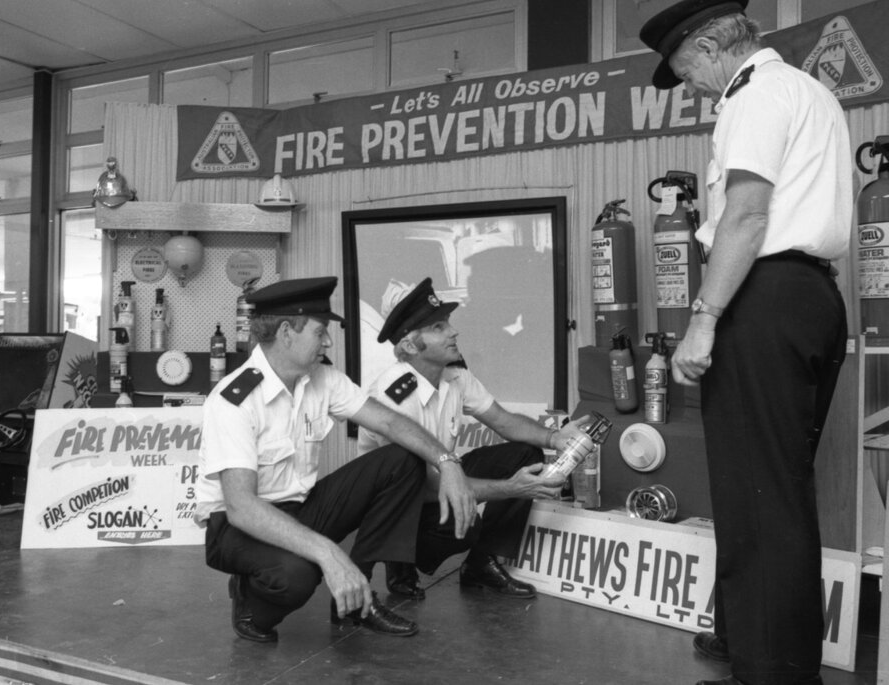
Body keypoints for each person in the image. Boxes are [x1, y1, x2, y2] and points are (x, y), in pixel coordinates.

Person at [640, 2, 851, 684]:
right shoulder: (810, 92)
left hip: (762, 298)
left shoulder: (754, 96)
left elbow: (748, 213)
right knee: (772, 482)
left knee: (760, 493)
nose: (695, 90)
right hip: (811, 297)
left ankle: (773, 669)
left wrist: (704, 318)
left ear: (709, 46)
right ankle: (739, 634)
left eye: (688, 72)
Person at [195, 277, 477, 643]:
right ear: (286, 332)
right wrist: (329, 553)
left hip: (300, 507)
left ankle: (359, 600)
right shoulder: (234, 400)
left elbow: (389, 421)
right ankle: (250, 601)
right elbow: (242, 509)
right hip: (238, 527)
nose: (328, 342)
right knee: (298, 576)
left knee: (401, 458)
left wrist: (448, 461)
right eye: (320, 331)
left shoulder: (322, 379)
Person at [357, 277, 590, 600]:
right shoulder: (394, 395)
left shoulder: (455, 376)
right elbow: (421, 484)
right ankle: (400, 561)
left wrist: (556, 438)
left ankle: (482, 564)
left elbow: (502, 421)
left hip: (439, 476)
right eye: (439, 327)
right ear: (410, 345)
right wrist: (511, 489)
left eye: (448, 323)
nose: (453, 331)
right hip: (400, 501)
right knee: (463, 523)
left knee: (524, 453)